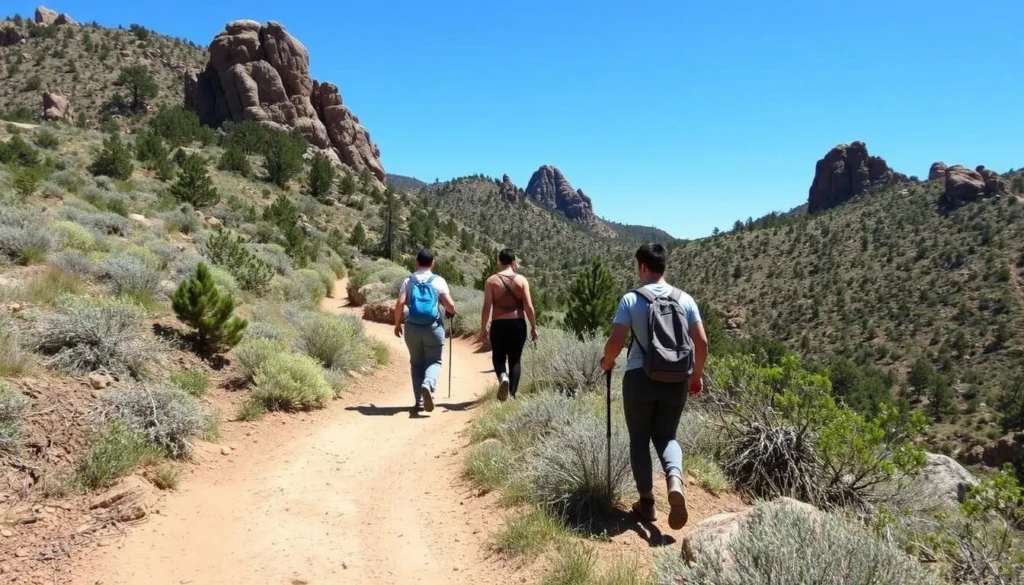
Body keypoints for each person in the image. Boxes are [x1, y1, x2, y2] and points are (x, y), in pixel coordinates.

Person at [600, 243, 708, 530]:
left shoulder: (631, 300)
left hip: (639, 378)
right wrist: (696, 376)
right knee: (667, 436)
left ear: (643, 267)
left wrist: (607, 362)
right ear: (664, 267)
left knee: (639, 438)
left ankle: (647, 504)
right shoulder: (685, 300)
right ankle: (674, 478)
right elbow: (702, 342)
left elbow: (616, 342)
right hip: (676, 380)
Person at [394, 248, 457, 413]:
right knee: (434, 361)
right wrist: (450, 311)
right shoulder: (438, 281)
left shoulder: (409, 281)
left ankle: (419, 401)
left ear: (417, 262)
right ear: (432, 264)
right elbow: (451, 306)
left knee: (416, 364)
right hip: (433, 328)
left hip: (412, 328)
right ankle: (428, 384)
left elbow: (400, 304)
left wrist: (397, 324)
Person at [478, 248, 538, 401]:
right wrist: (533, 327)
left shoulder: (491, 281)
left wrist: (483, 328)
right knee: (515, 359)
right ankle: (511, 395)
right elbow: (529, 307)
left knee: (498, 356)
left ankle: (502, 377)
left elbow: (487, 306)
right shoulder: (522, 280)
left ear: (499, 262)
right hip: (518, 324)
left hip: (498, 324)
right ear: (513, 262)